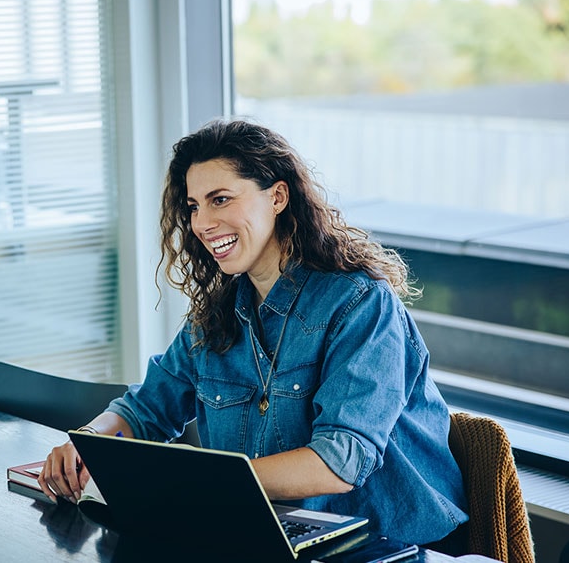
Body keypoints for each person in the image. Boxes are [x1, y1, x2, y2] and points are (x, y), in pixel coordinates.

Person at [40, 120, 468, 547]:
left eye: (220, 199)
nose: (202, 223)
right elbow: (145, 410)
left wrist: (204, 484)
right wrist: (89, 444)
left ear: (277, 196)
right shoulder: (215, 315)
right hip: (271, 533)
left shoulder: (359, 304)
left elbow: (340, 461)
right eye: (193, 207)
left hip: (391, 543)